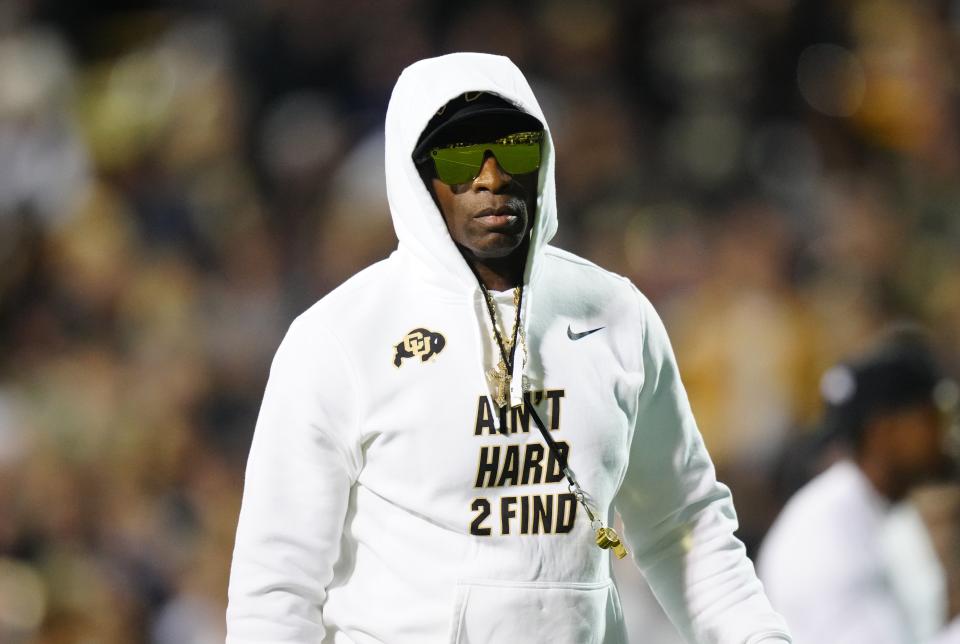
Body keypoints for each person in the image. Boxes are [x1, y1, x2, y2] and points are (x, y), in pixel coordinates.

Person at [226, 52, 792, 644]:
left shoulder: (617, 315)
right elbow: (277, 587)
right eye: (461, 156)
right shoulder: (339, 338)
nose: (491, 177)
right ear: (417, 175)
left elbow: (683, 524)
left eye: (515, 148)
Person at [757, 328, 960, 644]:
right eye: (932, 417)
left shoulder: (881, 509)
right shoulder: (824, 536)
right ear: (885, 431)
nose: (945, 435)